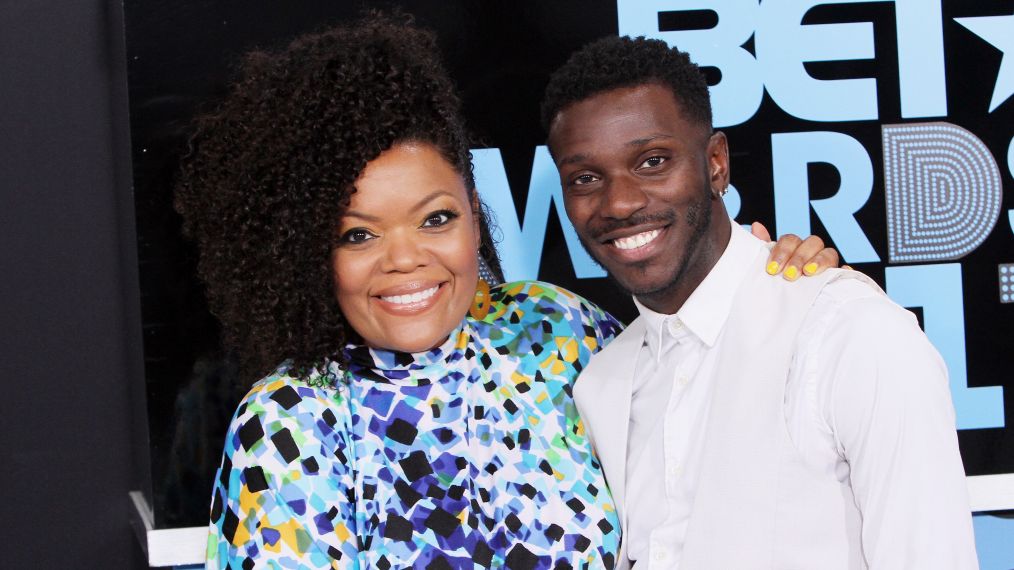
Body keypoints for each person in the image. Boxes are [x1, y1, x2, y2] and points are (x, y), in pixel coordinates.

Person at [176, 16, 836, 569]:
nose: (407, 259)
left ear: (474, 211)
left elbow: (714, 427)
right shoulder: (290, 421)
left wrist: (771, 281)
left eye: (436, 218)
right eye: (358, 235)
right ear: (307, 252)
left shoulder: (554, 330)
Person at [541, 35, 979, 569]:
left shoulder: (849, 333)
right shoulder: (604, 382)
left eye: (653, 161)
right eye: (585, 179)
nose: (620, 202)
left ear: (716, 164)